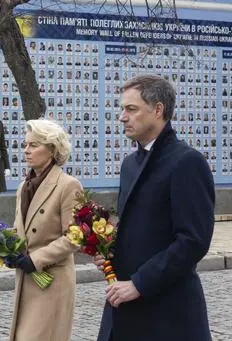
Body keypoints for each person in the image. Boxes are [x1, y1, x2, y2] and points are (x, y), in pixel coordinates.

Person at [94, 74, 215, 341]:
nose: (122, 117)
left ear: (158, 110)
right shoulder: (129, 164)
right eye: (122, 109)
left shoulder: (187, 162)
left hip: (167, 314)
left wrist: (140, 283)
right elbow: (137, 228)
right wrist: (106, 249)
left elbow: (193, 240)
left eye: (131, 109)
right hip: (124, 309)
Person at [8, 119, 82, 341]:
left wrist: (36, 259)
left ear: (51, 149)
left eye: (33, 145)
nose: (26, 151)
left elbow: (74, 237)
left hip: (52, 280)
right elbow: (19, 227)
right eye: (25, 145)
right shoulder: (24, 186)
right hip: (26, 278)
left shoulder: (68, 185)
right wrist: (5, 246)